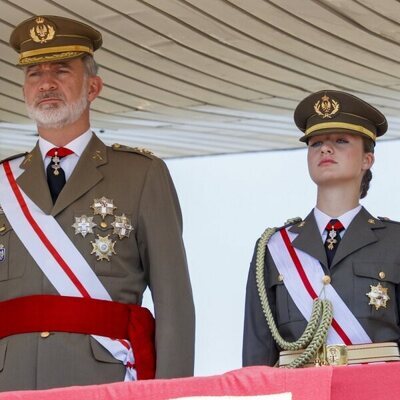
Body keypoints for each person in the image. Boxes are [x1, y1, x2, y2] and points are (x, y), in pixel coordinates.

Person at [0, 15, 195, 391]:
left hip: (105, 380)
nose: (46, 84)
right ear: (24, 91)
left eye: (61, 70)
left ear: (93, 87)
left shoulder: (142, 175)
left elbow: (175, 306)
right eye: (34, 74)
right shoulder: (3, 182)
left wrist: (172, 393)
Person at [243, 90, 400, 368]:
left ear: (367, 160)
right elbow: (258, 356)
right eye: (315, 143)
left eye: (340, 141)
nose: (325, 149)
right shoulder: (274, 247)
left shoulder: (395, 241)